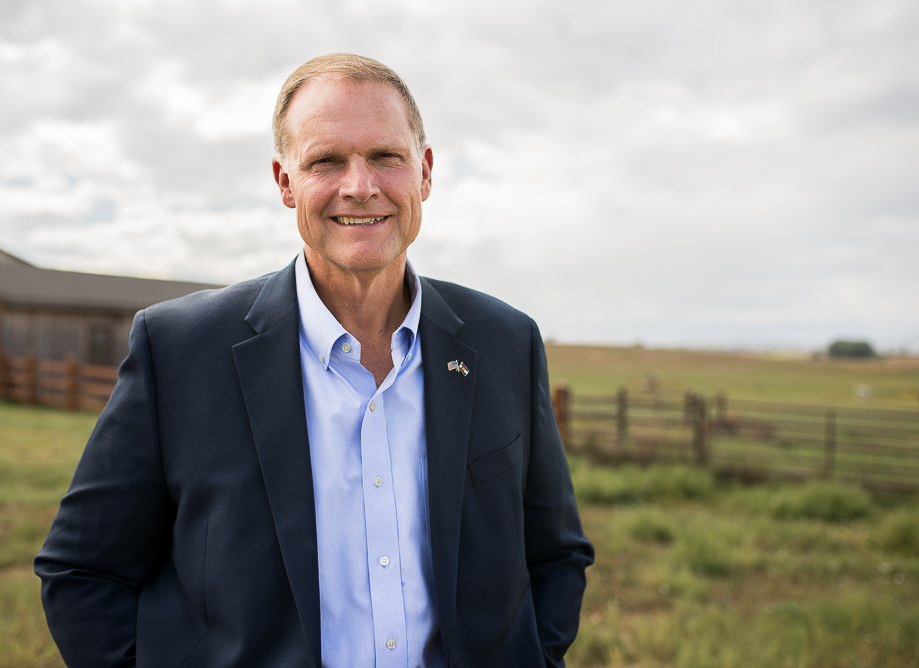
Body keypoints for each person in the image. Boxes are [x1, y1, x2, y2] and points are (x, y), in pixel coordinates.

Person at [35, 53, 593, 668]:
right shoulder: (178, 351)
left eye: (386, 156)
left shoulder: (506, 342)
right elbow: (82, 571)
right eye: (326, 161)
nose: (360, 186)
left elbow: (555, 555)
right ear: (285, 182)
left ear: (425, 172)